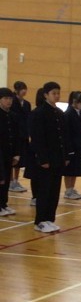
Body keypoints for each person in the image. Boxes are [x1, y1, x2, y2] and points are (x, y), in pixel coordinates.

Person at [29, 81, 70, 233]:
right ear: (46, 95)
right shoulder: (39, 113)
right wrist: (43, 159)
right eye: (54, 93)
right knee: (44, 191)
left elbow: (63, 137)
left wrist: (66, 156)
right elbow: (37, 138)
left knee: (54, 190)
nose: (57, 96)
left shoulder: (59, 113)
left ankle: (49, 219)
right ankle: (39, 221)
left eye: (58, 93)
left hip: (58, 159)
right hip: (46, 159)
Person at [63, 91, 81, 200]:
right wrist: (68, 149)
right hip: (70, 146)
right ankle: (68, 190)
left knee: (75, 170)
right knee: (69, 170)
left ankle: (72, 188)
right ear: (74, 101)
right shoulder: (68, 114)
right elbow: (66, 133)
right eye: (80, 102)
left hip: (79, 145)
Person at [0, 87, 21, 217]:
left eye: (10, 99)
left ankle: (3, 203)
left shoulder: (13, 116)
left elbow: (16, 136)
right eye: (5, 98)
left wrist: (17, 154)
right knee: (1, 179)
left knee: (7, 179)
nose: (8, 101)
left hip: (9, 152)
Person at [9, 81, 30, 193]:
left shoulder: (26, 104)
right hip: (14, 134)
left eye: (25, 88)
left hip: (23, 134)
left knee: (20, 160)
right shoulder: (11, 102)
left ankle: (16, 181)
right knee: (12, 159)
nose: (24, 91)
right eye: (22, 89)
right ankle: (10, 181)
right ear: (16, 90)